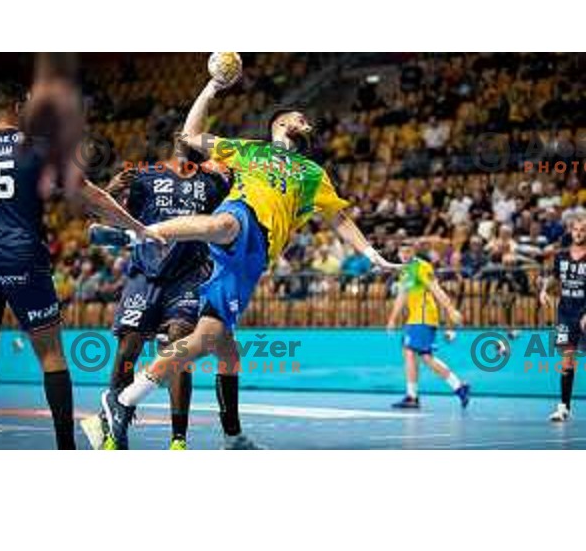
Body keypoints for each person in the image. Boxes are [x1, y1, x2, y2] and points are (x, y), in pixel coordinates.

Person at [84, 68, 396, 450]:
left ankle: (131, 405)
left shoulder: (313, 173)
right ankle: (140, 233)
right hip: (244, 221)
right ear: (279, 122)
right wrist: (212, 87)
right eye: (299, 117)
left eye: (307, 121)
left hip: (254, 257)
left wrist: (371, 253)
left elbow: (339, 218)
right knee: (226, 222)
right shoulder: (250, 150)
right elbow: (190, 136)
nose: (306, 122)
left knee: (216, 344)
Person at [0, 82, 158, 449]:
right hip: (22, 259)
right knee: (51, 354)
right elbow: (89, 195)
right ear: (20, 106)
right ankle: (65, 447)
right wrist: (138, 226)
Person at [81, 144, 231, 451]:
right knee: (128, 347)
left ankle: (178, 439)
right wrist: (111, 189)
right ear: (176, 144)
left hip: (188, 275)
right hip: (145, 273)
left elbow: (231, 220)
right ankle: (115, 425)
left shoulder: (214, 183)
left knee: (178, 345)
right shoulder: (144, 176)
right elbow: (106, 217)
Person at [388, 243, 469, 409]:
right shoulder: (405, 270)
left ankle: (416, 396)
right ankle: (454, 388)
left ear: (414, 252)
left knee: (417, 354)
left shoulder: (422, 267)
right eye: (402, 251)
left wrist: (451, 309)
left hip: (424, 316)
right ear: (398, 253)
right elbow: (402, 296)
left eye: (408, 251)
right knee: (416, 354)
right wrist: (392, 318)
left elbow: (436, 289)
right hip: (414, 318)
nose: (404, 254)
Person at [540, 217, 586, 422]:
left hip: (584, 310)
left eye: (582, 230)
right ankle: (563, 408)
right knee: (567, 360)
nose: (578, 233)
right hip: (566, 313)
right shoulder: (561, 256)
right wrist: (544, 291)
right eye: (576, 229)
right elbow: (554, 278)